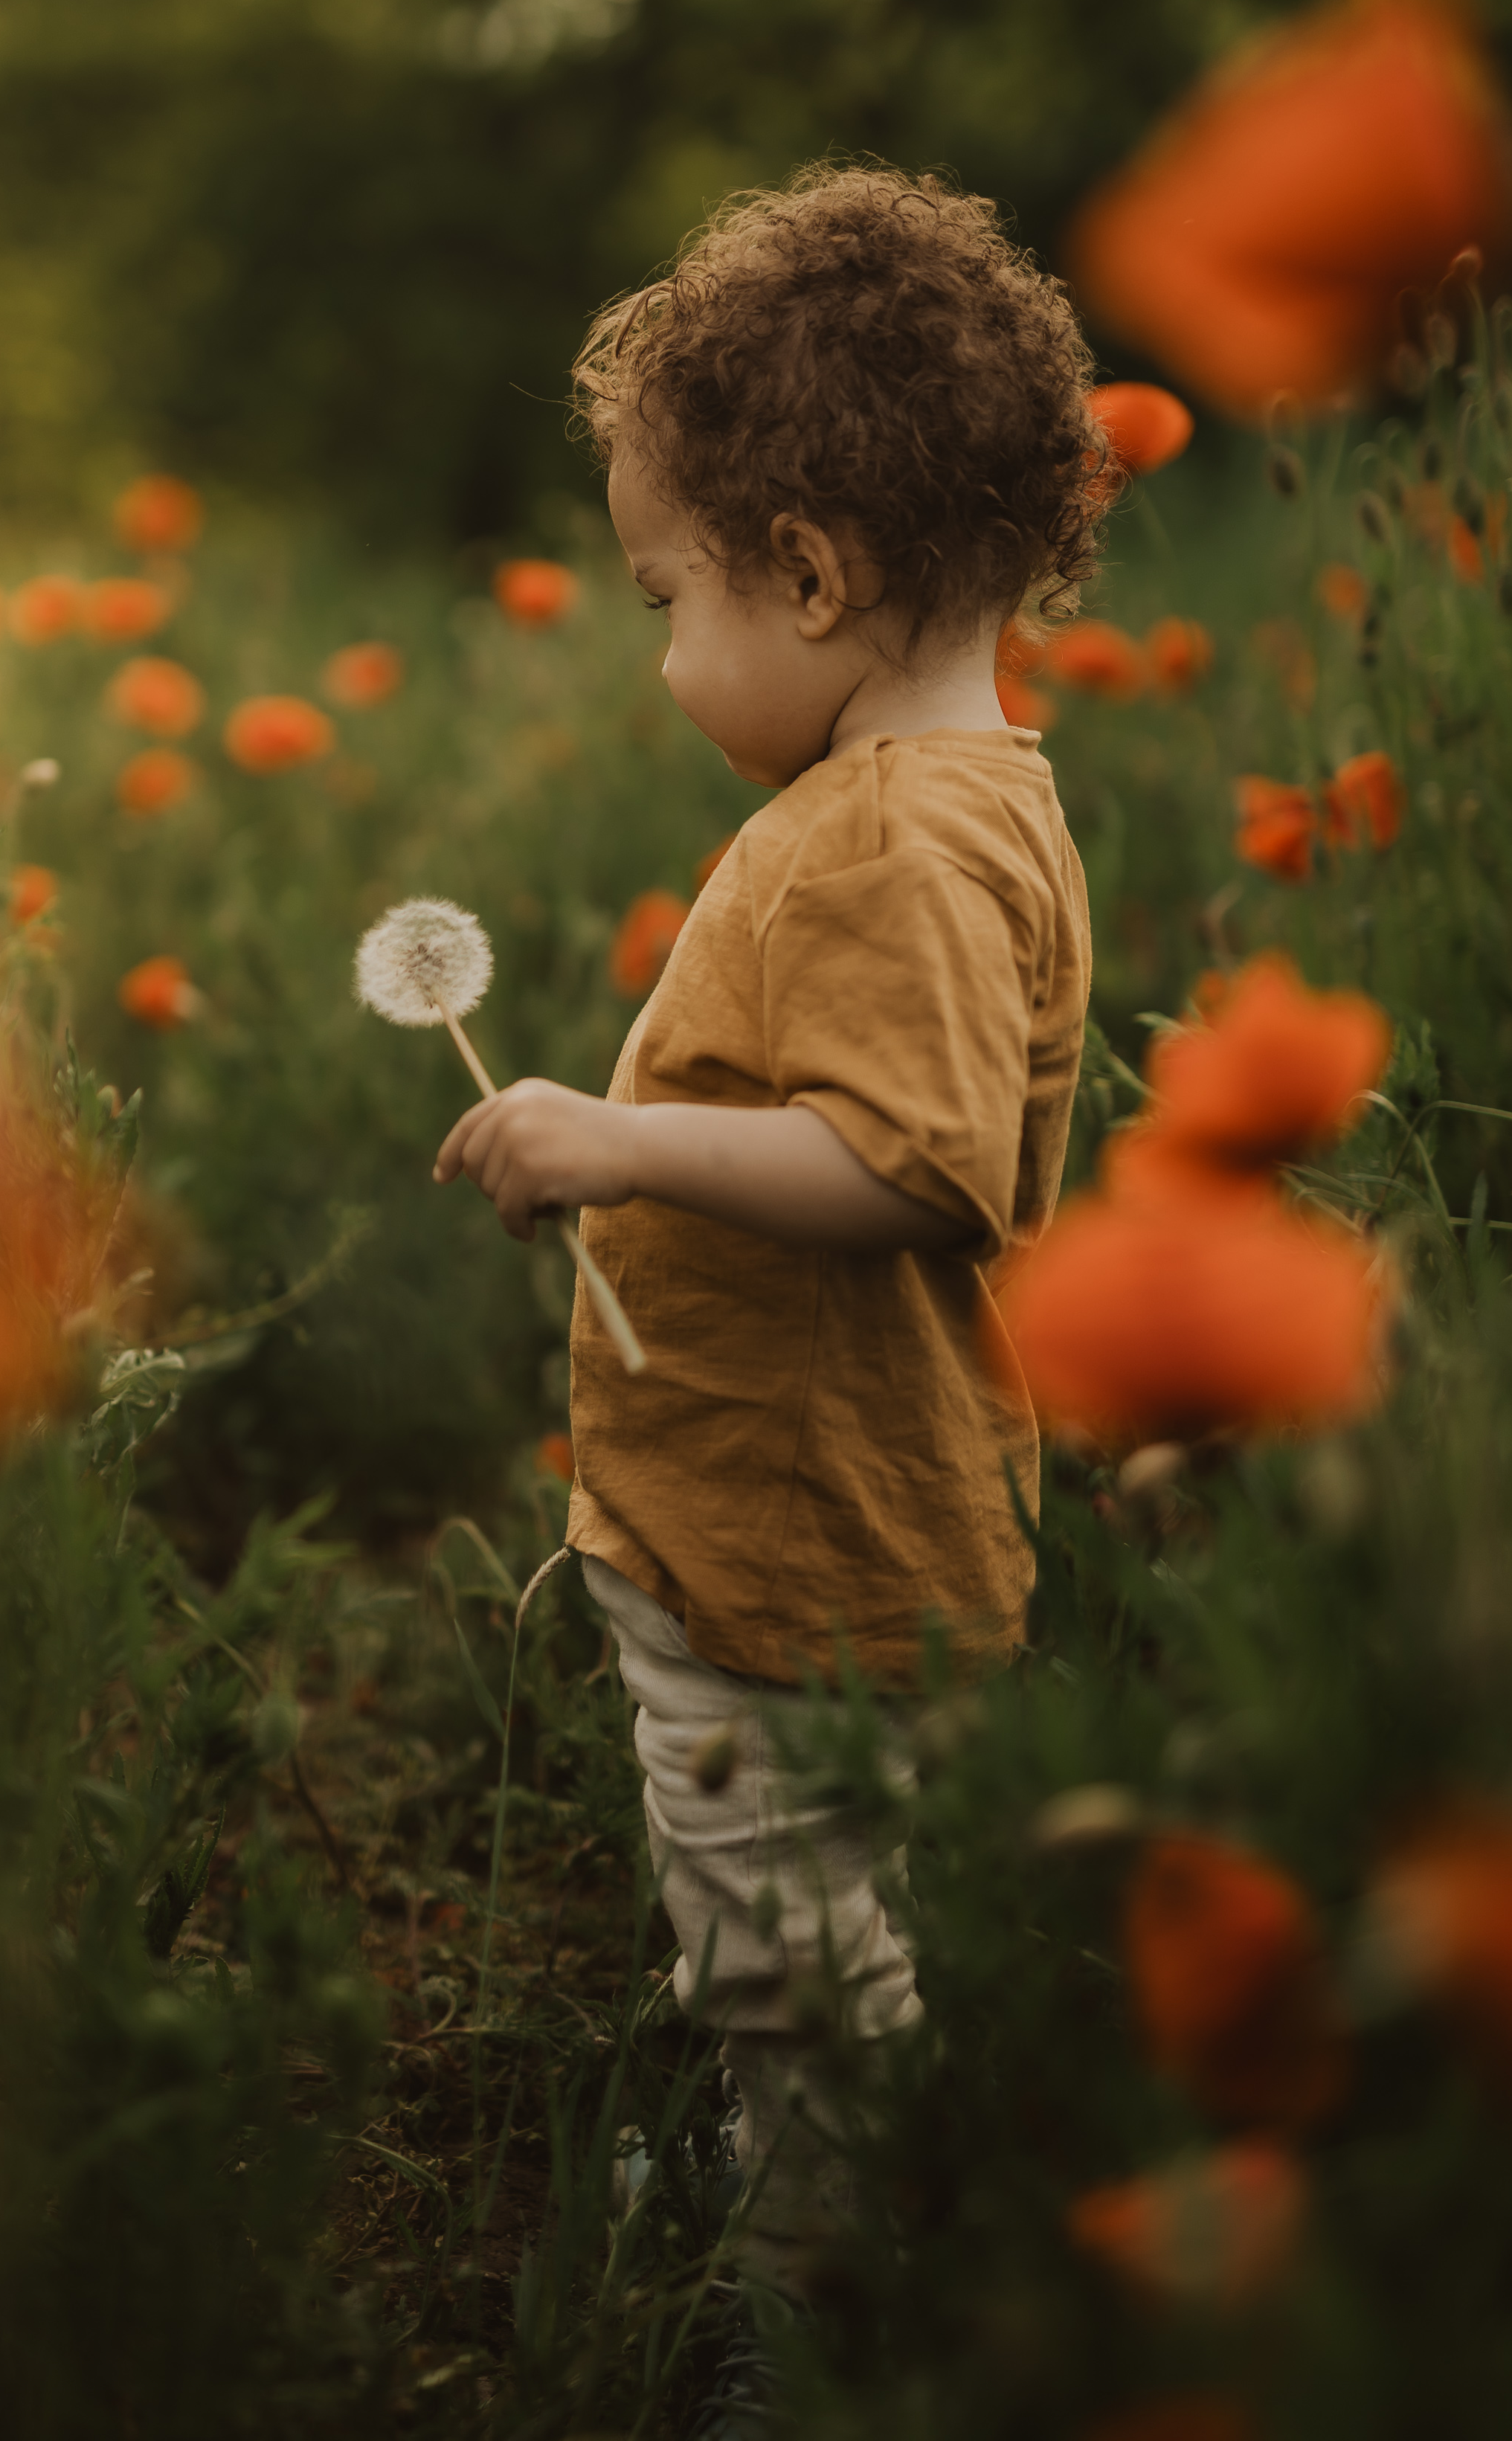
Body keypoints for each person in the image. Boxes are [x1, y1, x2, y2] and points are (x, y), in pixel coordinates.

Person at [433, 167, 1101, 2339]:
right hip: (823, 1510)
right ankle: (809, 2167)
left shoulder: (899, 838)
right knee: (814, 1907)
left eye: (663, 595)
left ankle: (828, 2309)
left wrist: (613, 1139)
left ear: (805, 573)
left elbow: (914, 1167)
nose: (654, 653)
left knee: (781, 1945)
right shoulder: (964, 795)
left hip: (790, 1543)